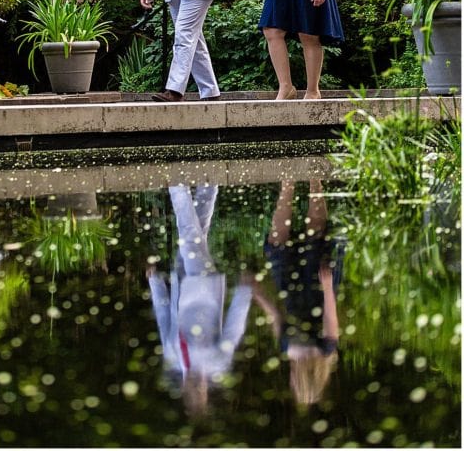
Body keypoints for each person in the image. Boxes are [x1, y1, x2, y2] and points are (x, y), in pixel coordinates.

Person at [147, 184, 254, 419]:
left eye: (192, 392)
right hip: (205, 287)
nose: (197, 388)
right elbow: (233, 329)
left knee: (197, 233)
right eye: (200, 392)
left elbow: (165, 320)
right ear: (206, 391)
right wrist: (244, 292)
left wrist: (155, 284)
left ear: (184, 391)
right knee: (189, 235)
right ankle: (177, 185)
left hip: (181, 285)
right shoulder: (217, 363)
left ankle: (210, 182)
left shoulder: (174, 359)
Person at [250, 178, 343, 406]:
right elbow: (330, 318)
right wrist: (328, 287)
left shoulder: (292, 350)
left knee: (285, 243)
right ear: (302, 380)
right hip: (315, 292)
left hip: (292, 291)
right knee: (309, 241)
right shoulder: (324, 350)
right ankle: (309, 182)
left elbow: (277, 319)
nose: (291, 380)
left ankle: (293, 184)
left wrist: (258, 294)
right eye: (294, 383)